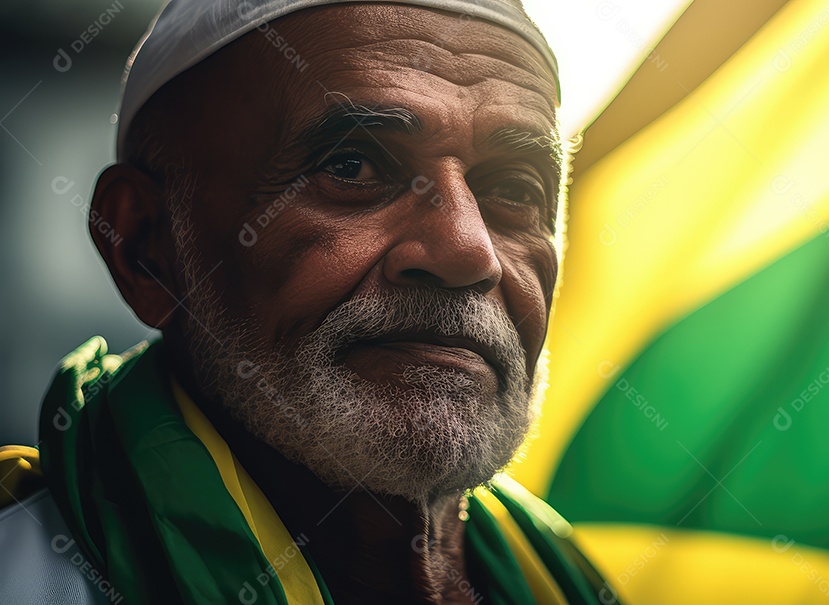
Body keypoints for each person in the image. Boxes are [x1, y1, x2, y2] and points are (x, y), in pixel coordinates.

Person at [0, 1, 616, 603]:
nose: (466, 251)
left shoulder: (569, 578)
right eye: (351, 165)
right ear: (145, 249)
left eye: (513, 188)